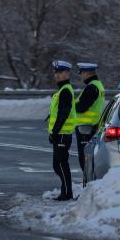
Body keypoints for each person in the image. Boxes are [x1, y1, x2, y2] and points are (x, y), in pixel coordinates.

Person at [47, 60, 76, 201]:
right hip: (61, 133)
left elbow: (63, 113)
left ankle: (67, 193)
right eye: (56, 73)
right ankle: (65, 191)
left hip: (63, 134)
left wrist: (55, 132)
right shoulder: (62, 90)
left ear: (67, 74)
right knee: (58, 164)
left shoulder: (65, 91)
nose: (57, 75)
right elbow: (57, 111)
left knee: (61, 164)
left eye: (60, 73)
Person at [73, 62, 105, 186]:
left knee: (85, 160)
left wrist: (71, 106)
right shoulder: (98, 85)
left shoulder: (92, 87)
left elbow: (81, 107)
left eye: (81, 73)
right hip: (91, 126)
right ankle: (88, 187)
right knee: (88, 159)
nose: (81, 76)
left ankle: (87, 188)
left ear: (87, 73)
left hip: (85, 127)